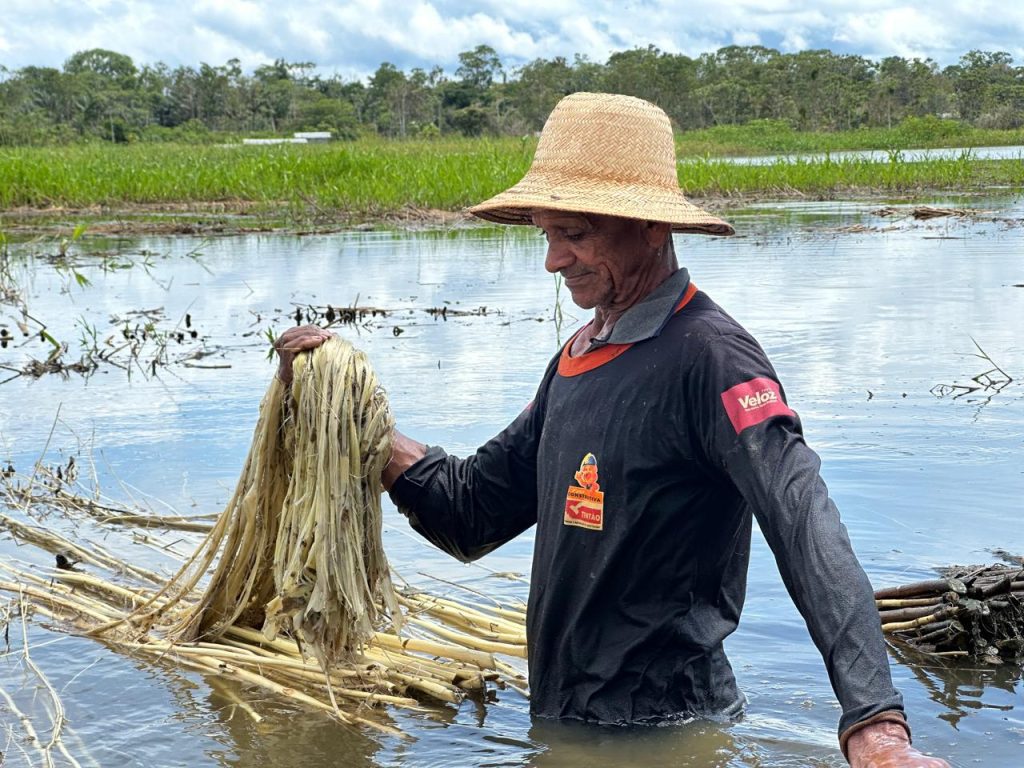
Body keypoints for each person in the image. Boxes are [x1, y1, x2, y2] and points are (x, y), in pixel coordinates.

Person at [275, 92, 949, 768]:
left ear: (650, 227)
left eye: (574, 233)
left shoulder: (712, 358)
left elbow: (803, 522)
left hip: (669, 732)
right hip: (567, 725)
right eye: (546, 234)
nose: (553, 260)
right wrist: (349, 409)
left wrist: (874, 724)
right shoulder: (578, 358)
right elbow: (472, 511)